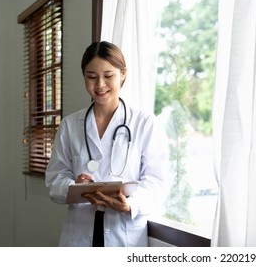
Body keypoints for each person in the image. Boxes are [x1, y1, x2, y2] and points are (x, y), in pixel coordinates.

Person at [45, 41, 167, 247]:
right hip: (80, 234)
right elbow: (55, 180)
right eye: (91, 77)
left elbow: (156, 182)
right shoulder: (70, 125)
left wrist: (130, 205)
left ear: (123, 74)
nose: (100, 85)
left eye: (108, 76)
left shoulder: (144, 123)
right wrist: (74, 185)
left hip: (125, 234)